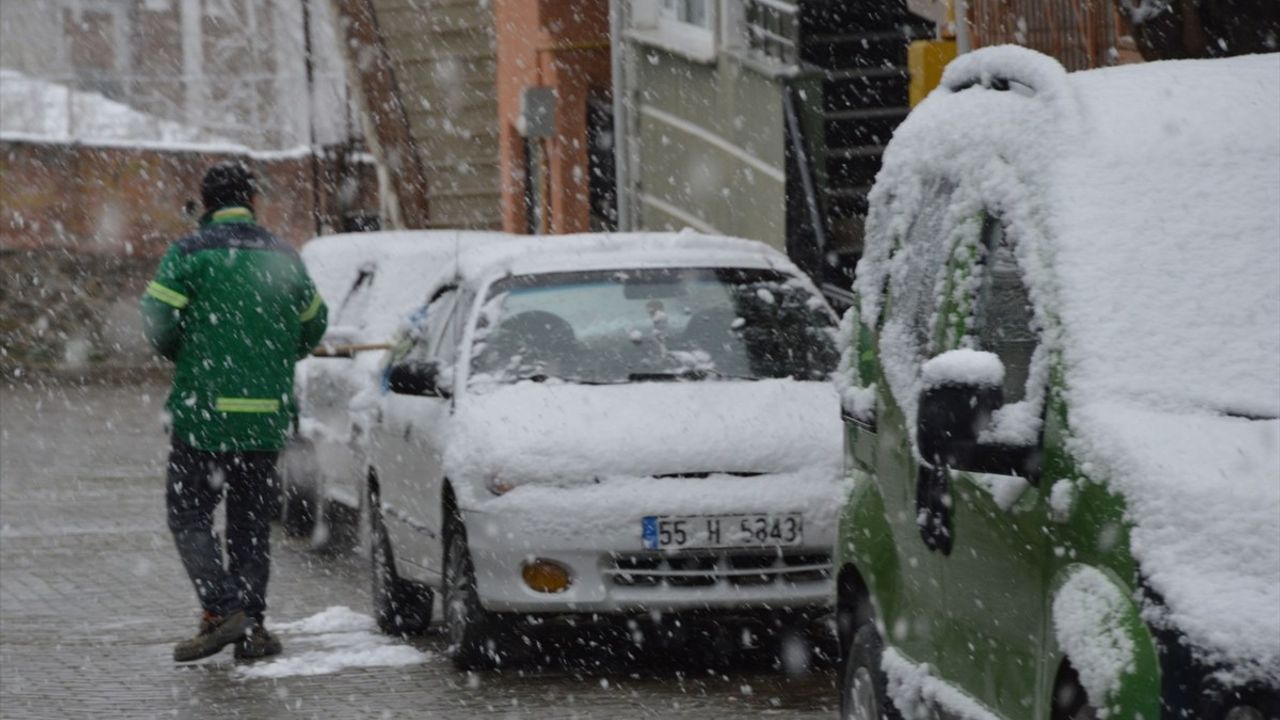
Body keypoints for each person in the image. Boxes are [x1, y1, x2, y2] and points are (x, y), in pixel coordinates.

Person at [140, 161, 328, 662]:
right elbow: (314, 325)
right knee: (249, 525)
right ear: (252, 201)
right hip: (265, 418)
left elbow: (156, 322)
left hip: (204, 416)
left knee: (188, 517)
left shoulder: (189, 254)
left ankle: (224, 609)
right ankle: (253, 627)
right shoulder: (284, 256)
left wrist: (189, 350)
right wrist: (272, 354)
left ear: (206, 204)